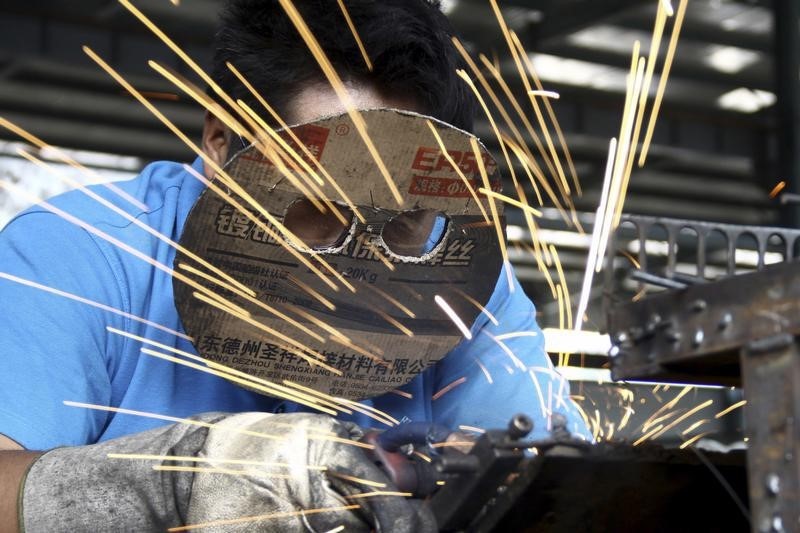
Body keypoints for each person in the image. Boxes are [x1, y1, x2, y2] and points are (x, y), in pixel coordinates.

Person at [0, 1, 590, 531]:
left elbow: (549, 489)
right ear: (221, 141)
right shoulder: (81, 252)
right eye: (319, 209)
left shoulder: (458, 285)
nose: (355, 266)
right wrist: (170, 485)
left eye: (400, 223)